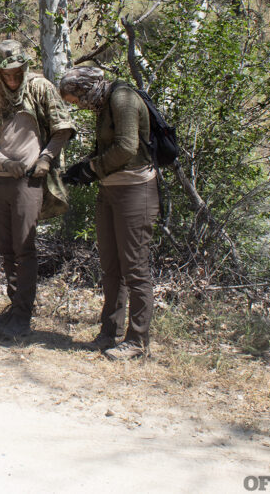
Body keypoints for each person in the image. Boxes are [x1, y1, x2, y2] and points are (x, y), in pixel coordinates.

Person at [0, 40, 74, 339]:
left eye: (17, 72)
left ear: (25, 67)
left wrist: (45, 158)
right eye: (7, 74)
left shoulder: (40, 89)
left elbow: (62, 127)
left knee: (24, 248)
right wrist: (3, 161)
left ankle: (23, 315)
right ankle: (15, 305)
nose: (13, 79)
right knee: (4, 248)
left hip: (29, 181)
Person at [59, 66, 159, 360]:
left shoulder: (123, 98)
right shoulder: (106, 102)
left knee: (135, 269)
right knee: (111, 267)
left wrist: (91, 169)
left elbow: (127, 147)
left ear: (85, 89)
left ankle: (138, 341)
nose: (77, 106)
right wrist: (81, 169)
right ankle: (110, 333)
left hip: (135, 191)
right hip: (110, 190)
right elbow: (107, 148)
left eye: (75, 100)